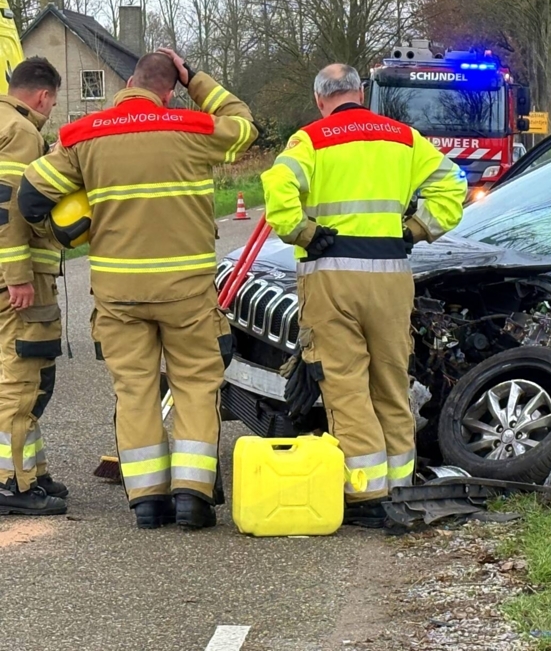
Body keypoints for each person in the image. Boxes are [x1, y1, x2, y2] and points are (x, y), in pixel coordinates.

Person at [18, 49, 258, 530]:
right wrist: (198, 82)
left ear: (128, 82)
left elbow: (30, 196)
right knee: (194, 385)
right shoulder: (192, 128)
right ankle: (192, 496)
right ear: (169, 89)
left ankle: (148, 502)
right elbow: (243, 123)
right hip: (186, 292)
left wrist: (71, 228)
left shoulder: (83, 136)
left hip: (118, 293)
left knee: (135, 391)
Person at [261, 63, 466, 527]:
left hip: (332, 277)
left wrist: (302, 232)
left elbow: (277, 187)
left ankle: (366, 494)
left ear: (320, 99)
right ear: (361, 92)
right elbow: (453, 185)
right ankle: (400, 487)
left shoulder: (309, 140)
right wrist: (416, 229)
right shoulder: (403, 138)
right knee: (391, 381)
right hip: (392, 277)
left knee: (346, 383)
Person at [0, 57, 65, 516]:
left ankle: (33, 472)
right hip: (17, 281)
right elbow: (9, 208)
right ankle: (11, 484)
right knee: (23, 375)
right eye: (55, 101)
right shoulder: (22, 132)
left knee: (23, 372)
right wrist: (19, 275)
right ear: (42, 96)